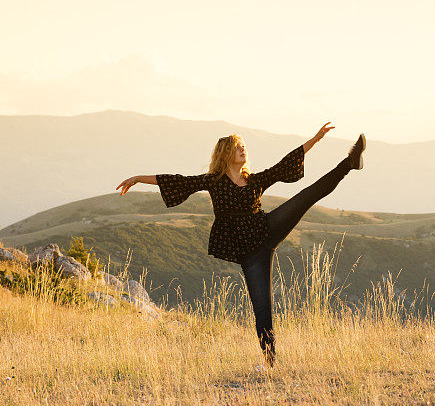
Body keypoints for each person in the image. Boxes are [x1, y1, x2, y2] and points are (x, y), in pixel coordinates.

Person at [116, 123, 367, 367]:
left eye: (244, 146)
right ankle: (270, 363)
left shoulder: (255, 180)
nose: (243, 150)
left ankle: (349, 163)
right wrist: (138, 178)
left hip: (267, 229)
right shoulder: (213, 181)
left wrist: (316, 139)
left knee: (307, 195)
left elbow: (285, 164)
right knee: (262, 308)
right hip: (251, 253)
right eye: (238, 147)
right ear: (226, 153)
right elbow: (177, 181)